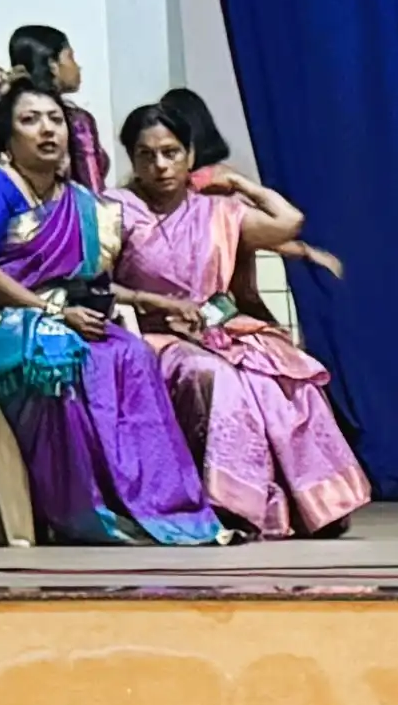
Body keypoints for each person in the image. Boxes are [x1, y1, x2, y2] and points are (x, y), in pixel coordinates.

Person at [0, 86, 222, 545]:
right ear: (5, 138)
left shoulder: (75, 199)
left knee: (129, 353)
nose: (47, 129)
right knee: (56, 353)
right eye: (30, 120)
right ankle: (82, 511)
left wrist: (149, 302)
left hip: (47, 318)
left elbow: (86, 285)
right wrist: (51, 310)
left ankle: (151, 505)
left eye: (54, 118)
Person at [109, 106, 371, 538]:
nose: (159, 165)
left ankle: (316, 506)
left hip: (219, 330)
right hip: (152, 337)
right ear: (132, 159)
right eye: (146, 154)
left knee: (285, 378)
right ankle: (234, 504)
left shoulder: (218, 212)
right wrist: (149, 301)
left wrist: (241, 184)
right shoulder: (114, 210)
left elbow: (289, 222)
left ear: (190, 156)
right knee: (215, 377)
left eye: (171, 152)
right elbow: (96, 285)